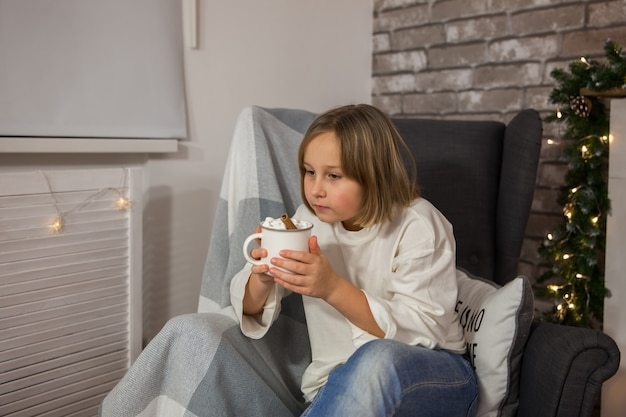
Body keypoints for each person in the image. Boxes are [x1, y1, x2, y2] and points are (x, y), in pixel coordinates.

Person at [229, 104, 478, 417]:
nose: (316, 190)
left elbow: (423, 331)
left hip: (438, 376)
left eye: (334, 175)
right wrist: (263, 278)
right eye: (309, 172)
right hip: (338, 383)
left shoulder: (418, 224)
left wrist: (332, 288)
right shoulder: (308, 221)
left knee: (377, 359)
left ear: (375, 176)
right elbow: (251, 309)